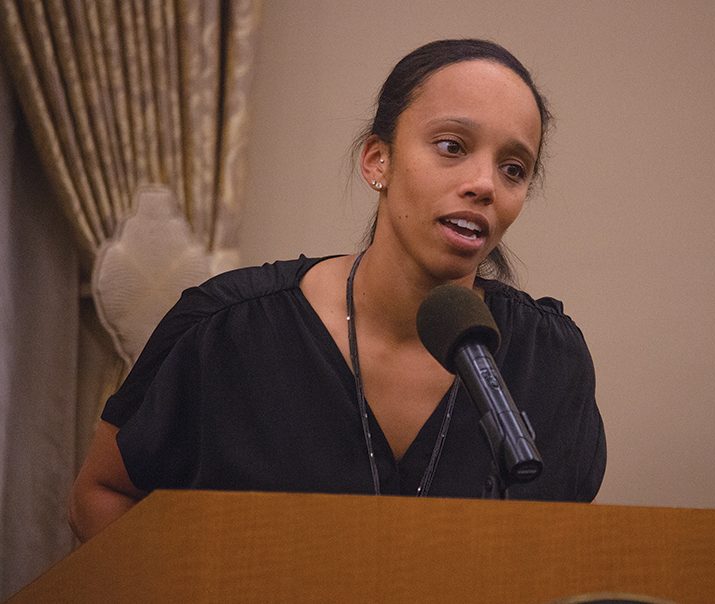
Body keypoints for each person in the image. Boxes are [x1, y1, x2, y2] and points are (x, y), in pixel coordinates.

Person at [68, 39, 606, 542]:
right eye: (451, 146)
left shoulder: (551, 362)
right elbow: (101, 493)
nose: (484, 184)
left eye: (513, 169)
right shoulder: (227, 327)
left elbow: (555, 552)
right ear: (378, 160)